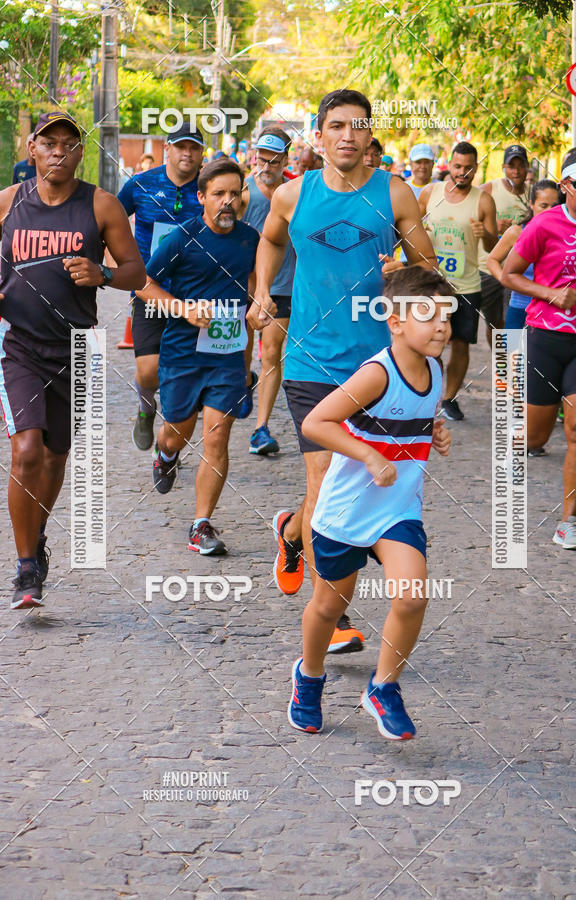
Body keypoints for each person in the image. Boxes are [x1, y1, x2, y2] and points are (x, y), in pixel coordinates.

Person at [248, 88, 437, 655]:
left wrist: (403, 268)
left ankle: (290, 532)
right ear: (319, 136)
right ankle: (335, 620)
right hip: (312, 359)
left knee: (347, 489)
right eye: (336, 126)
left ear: (369, 134)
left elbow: (429, 272)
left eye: (358, 126)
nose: (347, 135)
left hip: (379, 367)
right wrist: (262, 292)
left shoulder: (395, 194)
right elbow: (270, 242)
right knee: (327, 480)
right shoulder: (290, 195)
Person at [287, 267, 454, 738]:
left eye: (446, 316)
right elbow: (317, 424)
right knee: (327, 606)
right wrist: (367, 454)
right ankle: (310, 676)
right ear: (396, 322)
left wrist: (435, 431)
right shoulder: (376, 374)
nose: (441, 326)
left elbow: (418, 416)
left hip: (397, 510)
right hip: (344, 511)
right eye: (428, 316)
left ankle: (383, 687)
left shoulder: (436, 370)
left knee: (412, 596)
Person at [0, 111, 145, 609]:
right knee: (26, 451)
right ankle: (24, 570)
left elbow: (135, 272)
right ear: (32, 149)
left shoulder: (101, 206)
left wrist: (101, 273)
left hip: (78, 349)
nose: (59, 150)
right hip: (18, 346)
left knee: (57, 455)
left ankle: (37, 537)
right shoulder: (6, 205)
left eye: (69, 142)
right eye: (49, 142)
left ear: (81, 151)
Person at [136, 158, 259, 555]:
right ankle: (166, 451)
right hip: (183, 353)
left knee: (217, 436)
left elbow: (255, 288)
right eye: (218, 194)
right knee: (178, 430)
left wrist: (259, 309)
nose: (227, 201)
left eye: (234, 194)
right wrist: (183, 308)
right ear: (202, 197)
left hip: (226, 354)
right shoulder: (182, 238)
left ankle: (200, 524)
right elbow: (143, 283)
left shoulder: (250, 239)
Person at [502, 148, 576, 550]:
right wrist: (550, 294)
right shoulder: (545, 225)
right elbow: (507, 273)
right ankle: (513, 445)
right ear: (565, 186)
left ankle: (569, 522)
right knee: (535, 437)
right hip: (545, 335)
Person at [117, 124, 204, 452]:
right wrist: (119, 260)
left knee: (184, 374)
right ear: (167, 148)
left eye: (194, 148)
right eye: (181, 146)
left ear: (201, 154)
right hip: (149, 289)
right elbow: (111, 218)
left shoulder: (207, 188)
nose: (187, 153)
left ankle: (170, 441)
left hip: (196, 295)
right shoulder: (141, 184)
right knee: (149, 369)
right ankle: (146, 407)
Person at [418, 141, 497, 420]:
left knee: (461, 343)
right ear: (449, 165)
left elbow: (492, 246)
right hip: (432, 285)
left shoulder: (483, 199)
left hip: (466, 285)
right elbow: (411, 229)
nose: (462, 172)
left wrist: (484, 233)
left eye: (468, 168)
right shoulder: (430, 192)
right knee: (428, 341)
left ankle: (450, 398)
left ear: (476, 168)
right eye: (458, 166)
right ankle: (427, 393)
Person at [240, 128, 296, 456]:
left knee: (272, 352)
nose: (267, 164)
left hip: (283, 284)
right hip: (243, 284)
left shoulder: (294, 192)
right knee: (243, 351)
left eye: (274, 159)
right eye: (262, 157)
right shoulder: (242, 192)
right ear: (254, 156)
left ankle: (261, 430)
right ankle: (245, 379)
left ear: (285, 160)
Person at [487, 179, 559, 330]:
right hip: (519, 307)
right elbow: (492, 260)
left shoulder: (566, 237)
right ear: (531, 204)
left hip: (551, 311)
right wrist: (505, 279)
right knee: (508, 352)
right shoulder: (517, 232)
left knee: (537, 354)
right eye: (543, 206)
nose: (549, 211)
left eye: (554, 206)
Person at [478, 145, 531, 341]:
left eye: (521, 165)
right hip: (490, 268)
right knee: (494, 323)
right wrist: (492, 225)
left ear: (528, 167)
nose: (516, 171)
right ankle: (502, 367)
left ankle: (512, 366)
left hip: (520, 270)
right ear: (503, 167)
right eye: (511, 166)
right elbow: (469, 213)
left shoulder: (534, 194)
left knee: (513, 323)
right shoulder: (489, 189)